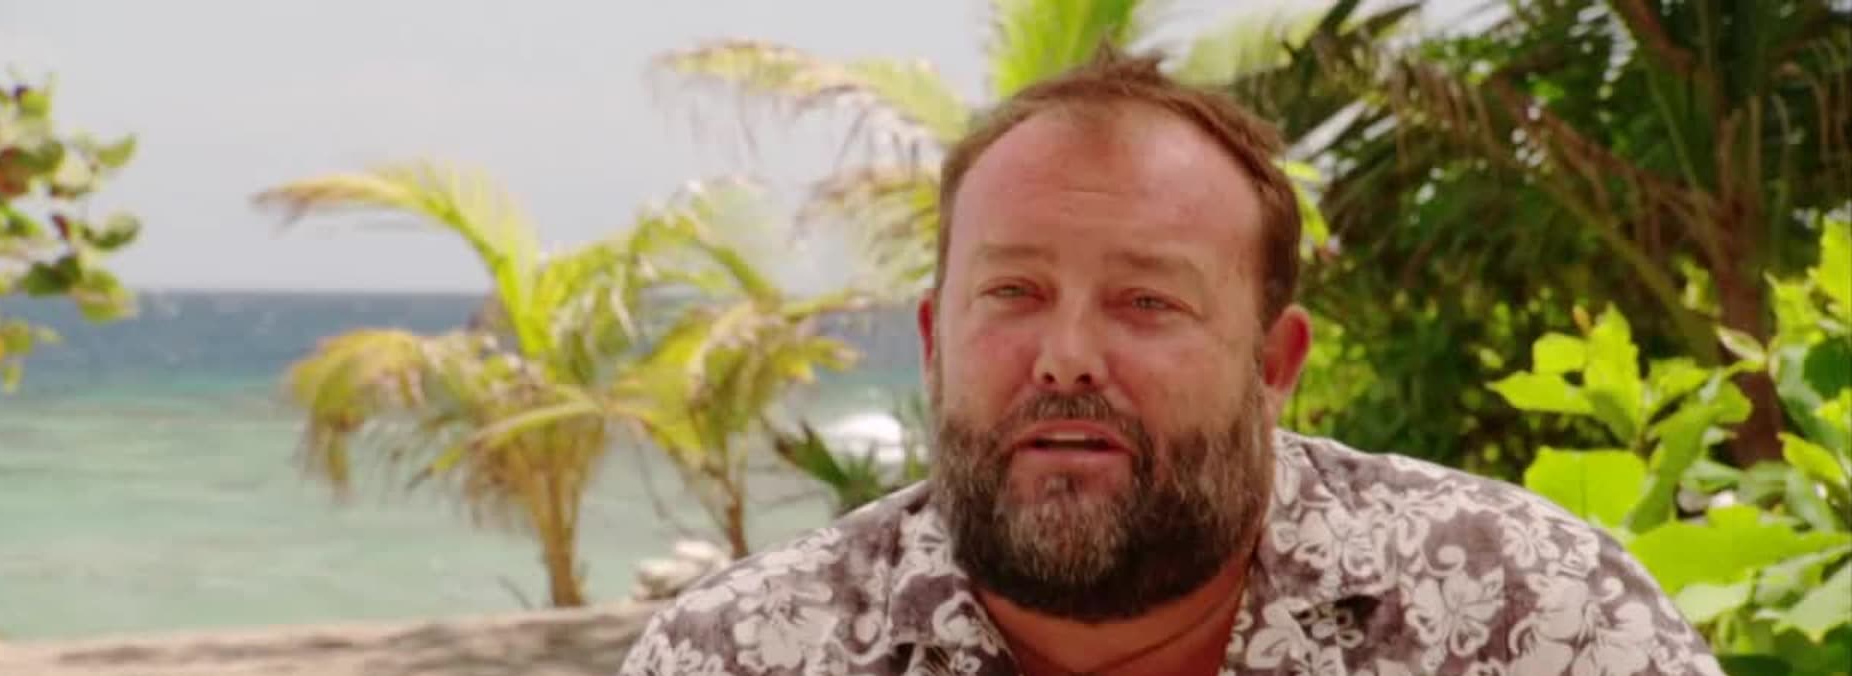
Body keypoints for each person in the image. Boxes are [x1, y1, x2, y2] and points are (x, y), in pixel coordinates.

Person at [619, 49, 1720, 676]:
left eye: (1146, 301)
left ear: (1274, 364)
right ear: (932, 342)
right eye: (1013, 293)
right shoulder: (743, 654)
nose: (1067, 358)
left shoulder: (1533, 618)